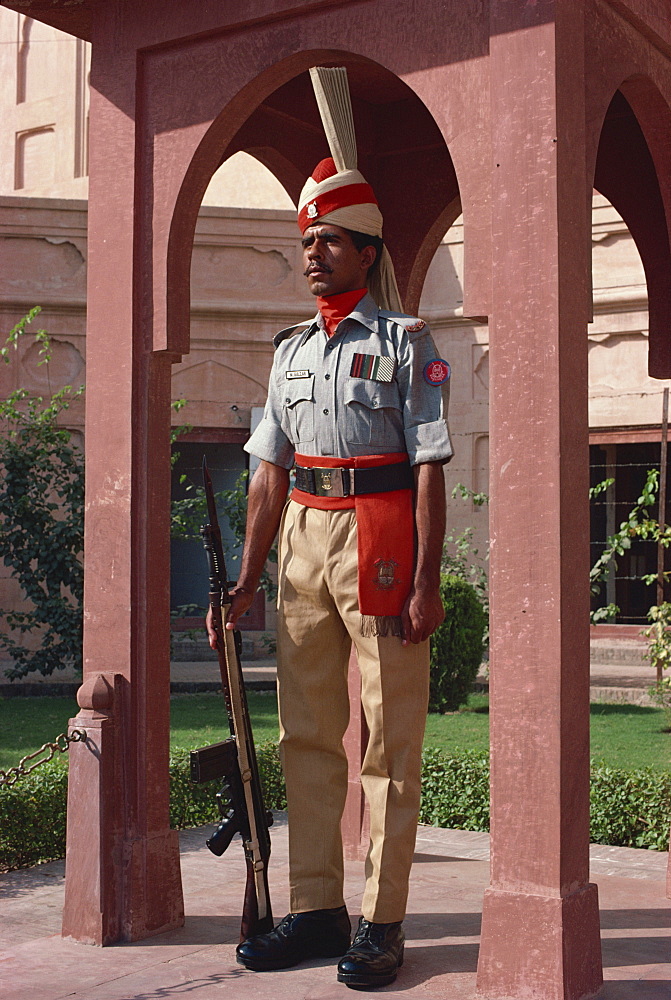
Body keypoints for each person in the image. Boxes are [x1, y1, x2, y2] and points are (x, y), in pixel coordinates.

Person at [206, 71, 452, 990]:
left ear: (365, 249)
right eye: (305, 242)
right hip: (304, 539)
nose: (312, 255)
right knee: (304, 734)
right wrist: (244, 575)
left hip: (382, 536)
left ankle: (380, 924)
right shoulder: (289, 353)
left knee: (387, 743)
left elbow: (429, 464)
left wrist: (428, 580)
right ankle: (317, 908)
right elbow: (268, 472)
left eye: (329, 242)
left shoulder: (405, 344)